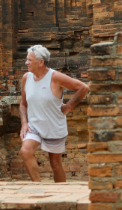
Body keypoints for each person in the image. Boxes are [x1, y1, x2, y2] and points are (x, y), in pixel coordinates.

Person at [18, 44, 88, 183]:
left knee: (55, 164)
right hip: (34, 126)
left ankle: (60, 195)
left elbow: (83, 88)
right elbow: (23, 104)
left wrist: (68, 107)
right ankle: (38, 187)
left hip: (54, 126)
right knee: (25, 151)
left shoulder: (55, 77)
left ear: (41, 62)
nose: (26, 63)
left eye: (29, 60)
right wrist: (24, 123)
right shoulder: (27, 77)